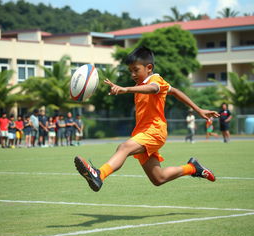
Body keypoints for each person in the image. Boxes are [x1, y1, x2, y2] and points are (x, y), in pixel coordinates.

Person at [74, 46, 219, 192]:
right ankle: (193, 168)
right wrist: (199, 110)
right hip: (142, 133)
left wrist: (126, 89)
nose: (132, 74)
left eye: (135, 70)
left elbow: (154, 88)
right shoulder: (140, 85)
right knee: (158, 178)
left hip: (155, 131)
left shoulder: (155, 79)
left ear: (149, 67)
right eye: (130, 71)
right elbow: (175, 91)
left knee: (124, 147)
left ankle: (99, 174)